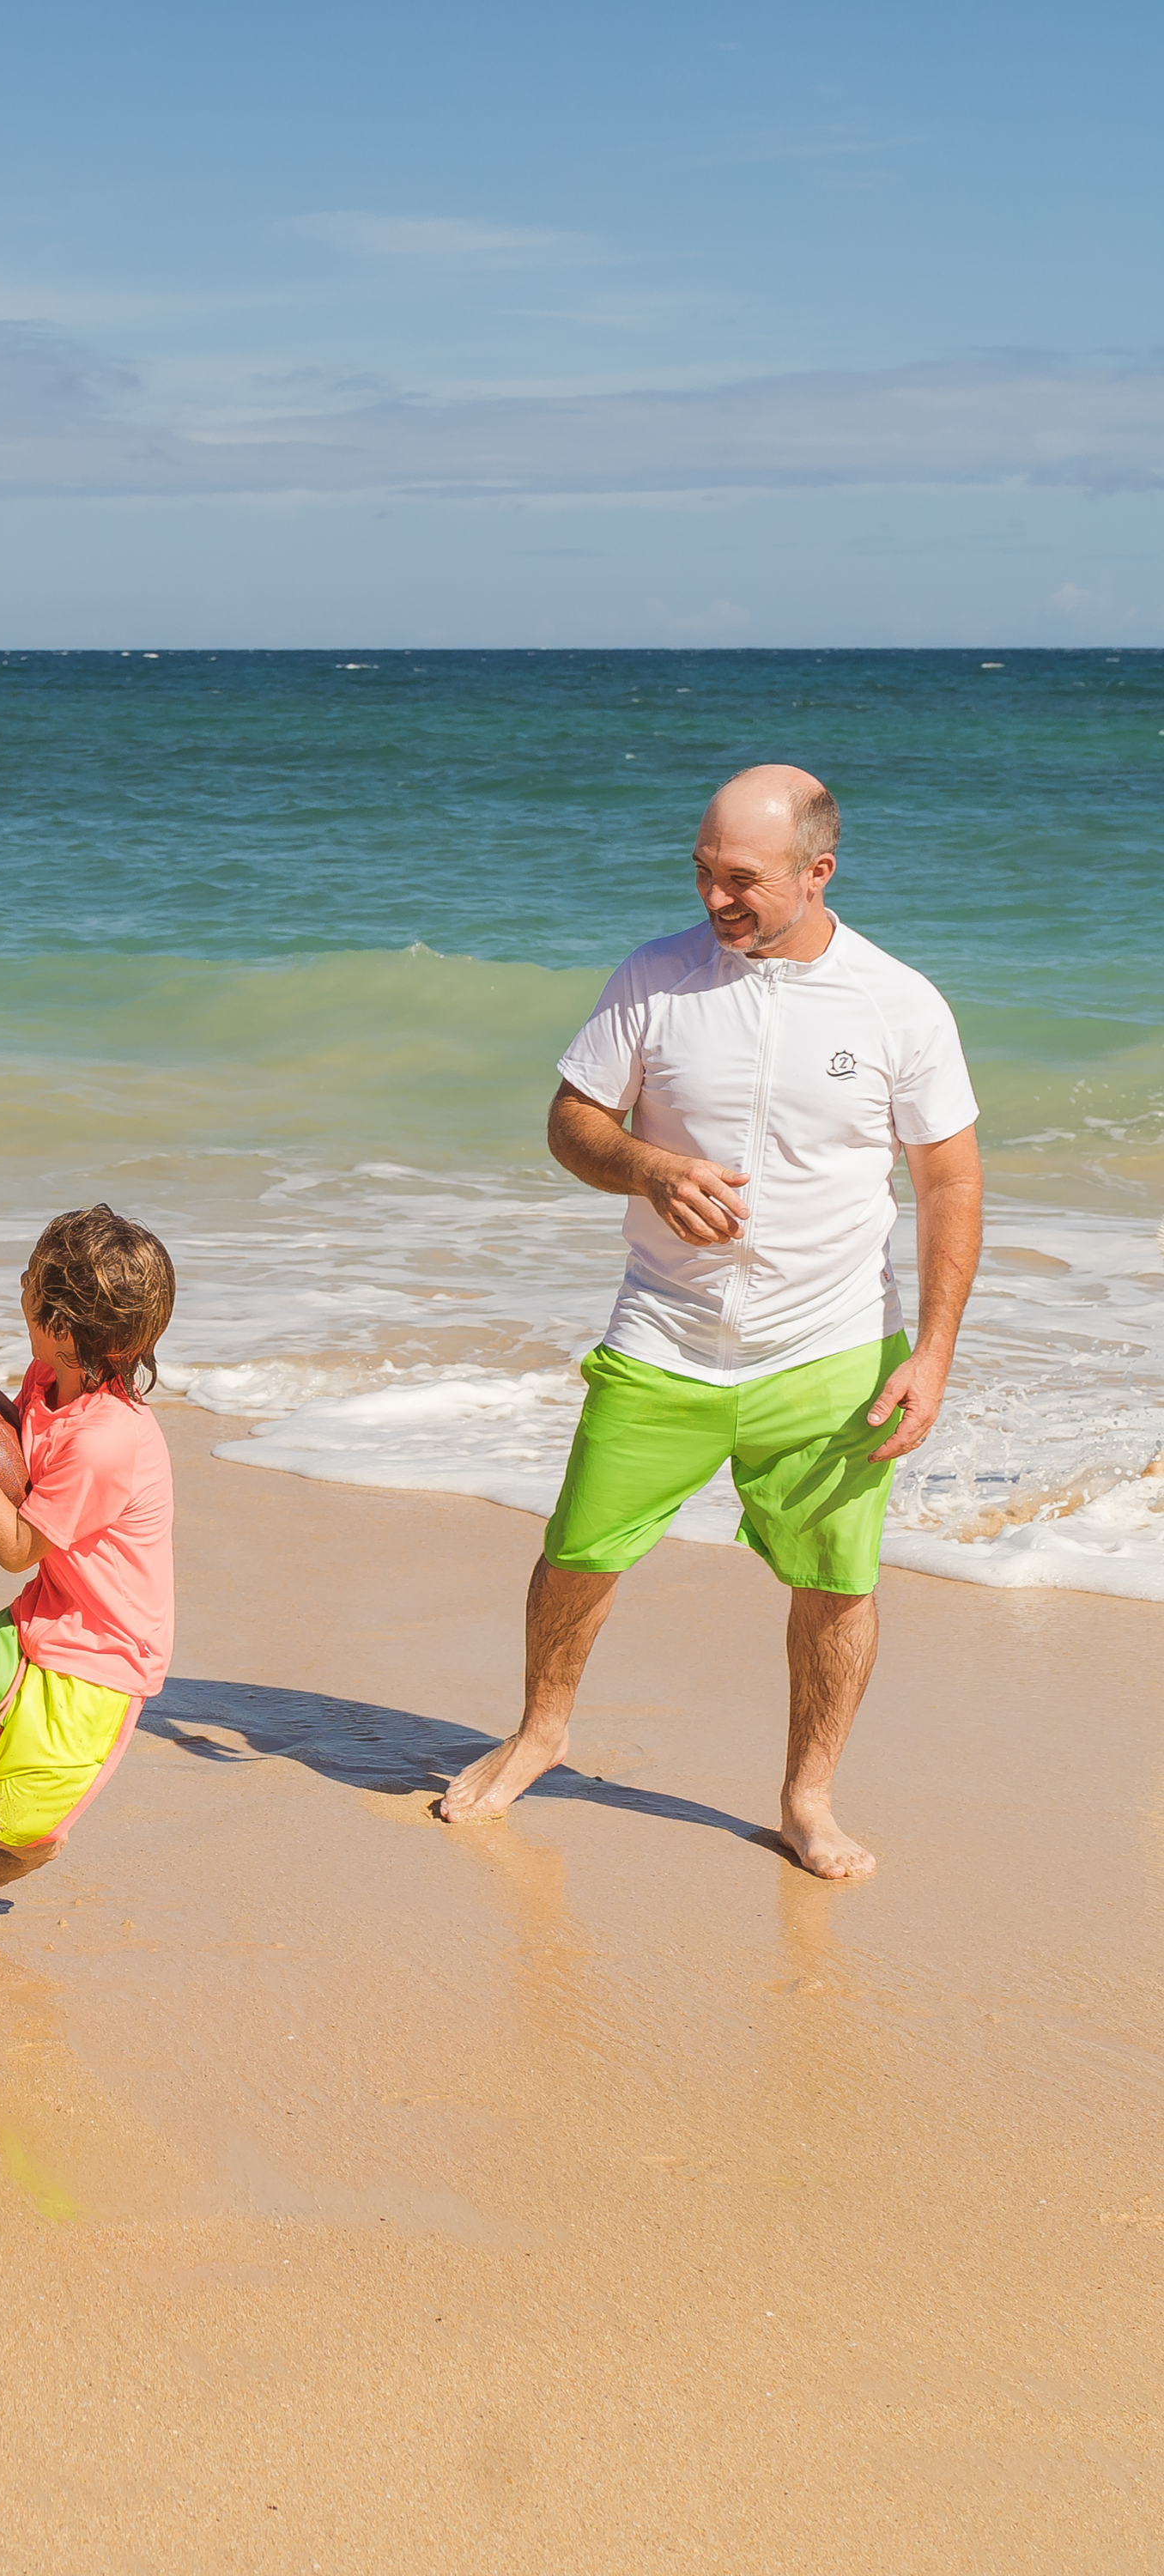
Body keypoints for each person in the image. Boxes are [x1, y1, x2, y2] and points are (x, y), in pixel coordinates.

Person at [438, 764, 983, 1879]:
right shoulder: (654, 980)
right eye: (700, 870)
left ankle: (808, 1797)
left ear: (817, 871)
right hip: (665, 1336)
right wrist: (645, 1166)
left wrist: (932, 1354)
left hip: (832, 1345)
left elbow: (950, 1185)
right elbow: (571, 1123)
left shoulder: (900, 1004)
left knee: (837, 1585)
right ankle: (542, 1731)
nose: (713, 897)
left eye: (741, 878)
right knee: (577, 1552)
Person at [0, 1206, 177, 1998]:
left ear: (59, 1323)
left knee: (14, 1826)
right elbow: (16, 1461)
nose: (17, 1287)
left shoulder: (107, 1439)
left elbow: (16, 1544)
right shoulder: (49, 1378)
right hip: (40, 1617)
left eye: (29, 1282)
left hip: (98, 1658)